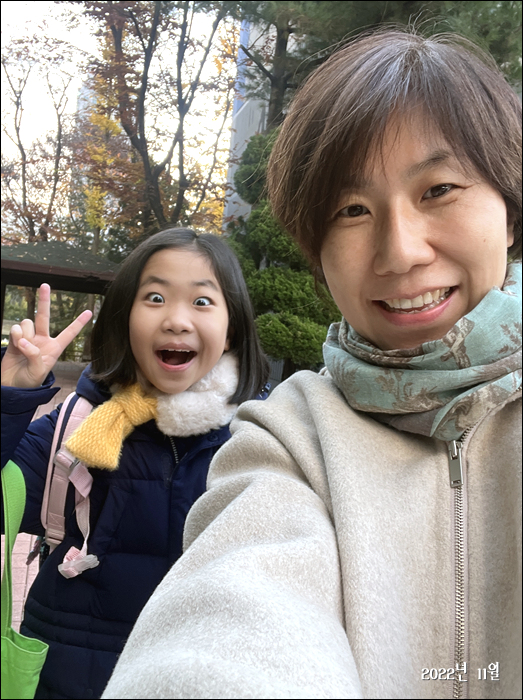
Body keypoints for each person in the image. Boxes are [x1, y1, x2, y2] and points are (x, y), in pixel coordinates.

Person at [102, 29, 521, 700]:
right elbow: (233, 611)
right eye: (351, 210)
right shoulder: (289, 437)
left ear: (509, 212)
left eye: (439, 188)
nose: (399, 251)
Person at [1, 228, 269, 699]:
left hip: (208, 678)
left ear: (232, 329)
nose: (177, 320)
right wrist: (10, 399)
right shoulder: (74, 425)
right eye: (155, 297)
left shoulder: (262, 438)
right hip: (68, 677)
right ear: (125, 317)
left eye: (202, 301)